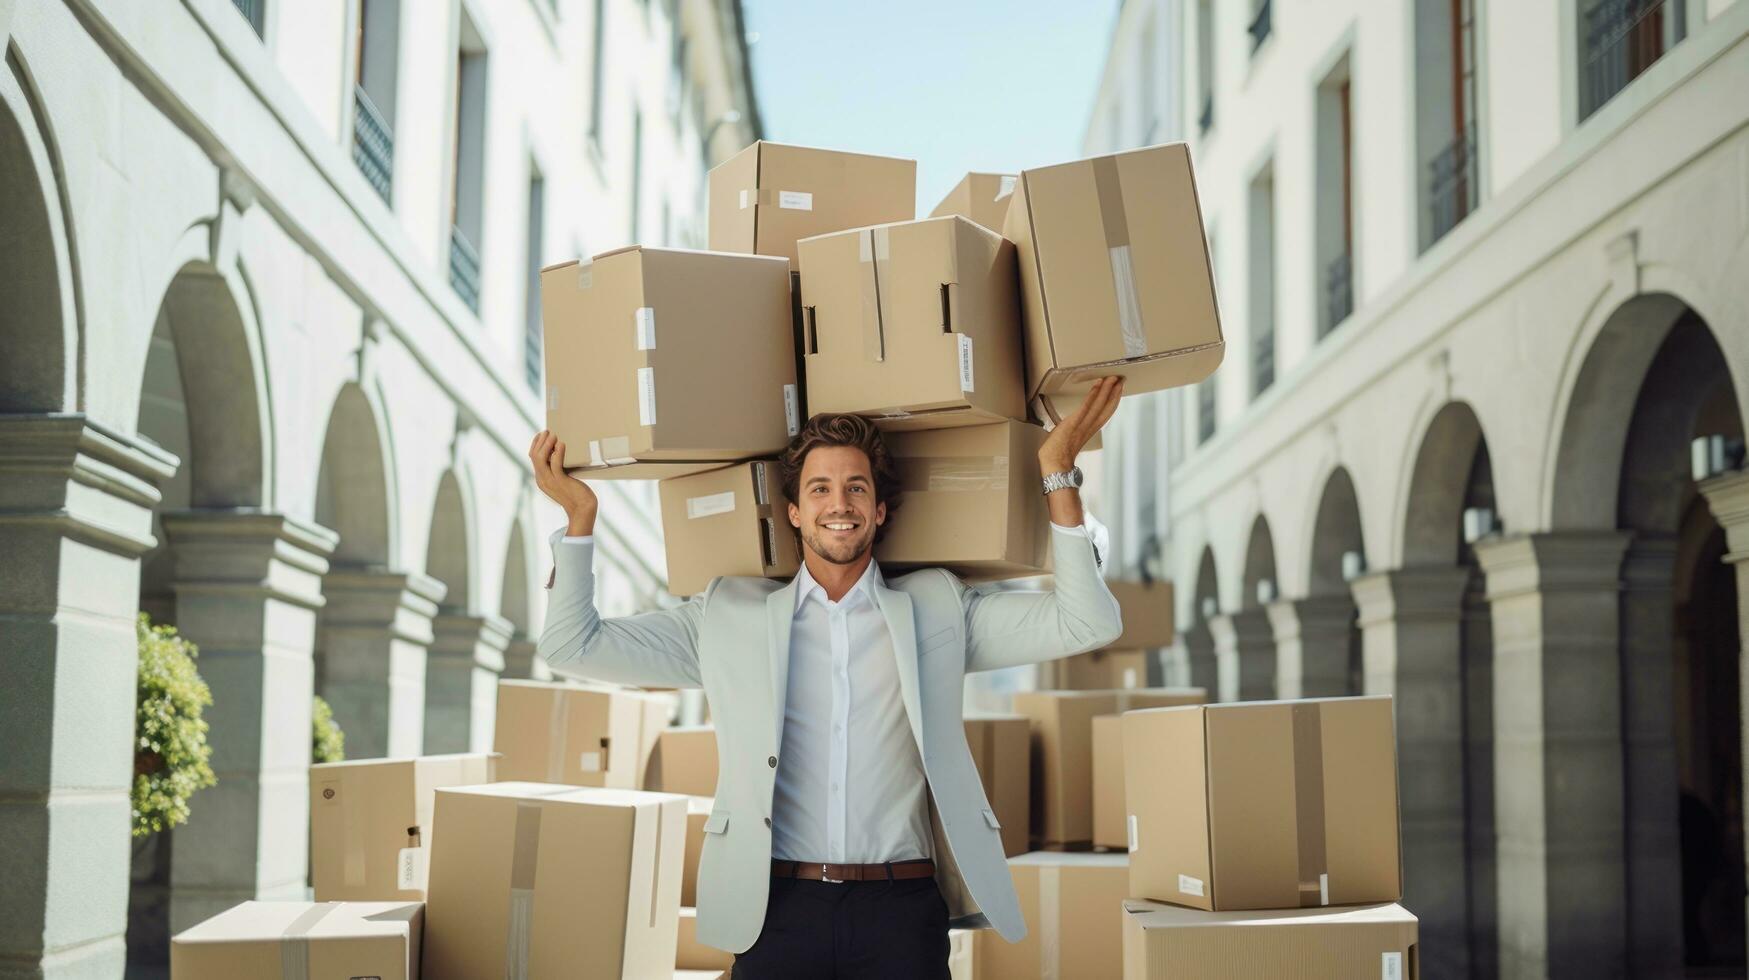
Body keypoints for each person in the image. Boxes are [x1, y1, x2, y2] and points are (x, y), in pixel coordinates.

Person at [528, 376, 1126, 979]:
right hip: (776, 908)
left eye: (855, 487)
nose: (839, 504)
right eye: (820, 488)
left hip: (902, 911)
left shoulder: (938, 609)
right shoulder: (726, 617)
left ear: (880, 508)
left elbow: (1087, 623)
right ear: (794, 511)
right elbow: (572, 646)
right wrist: (580, 519)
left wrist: (1057, 472)